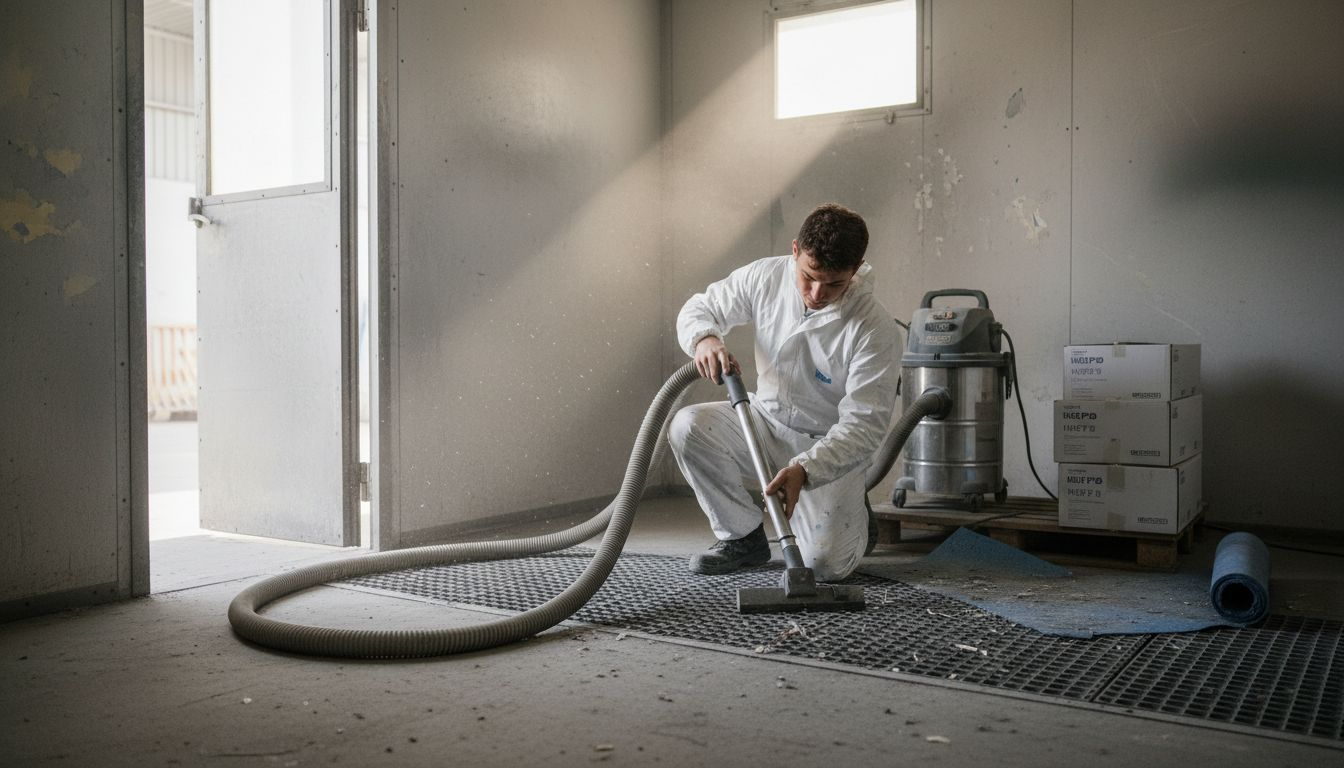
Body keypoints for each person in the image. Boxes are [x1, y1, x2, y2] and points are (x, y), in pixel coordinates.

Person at [669, 203, 900, 582]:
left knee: (823, 568)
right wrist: (705, 338)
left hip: (825, 448)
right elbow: (702, 306)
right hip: (764, 420)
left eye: (834, 284)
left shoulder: (875, 329)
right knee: (687, 426)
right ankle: (742, 538)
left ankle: (853, 515)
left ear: (855, 270)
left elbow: (864, 427)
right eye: (809, 276)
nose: (816, 293)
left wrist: (806, 469)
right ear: (795, 250)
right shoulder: (765, 277)